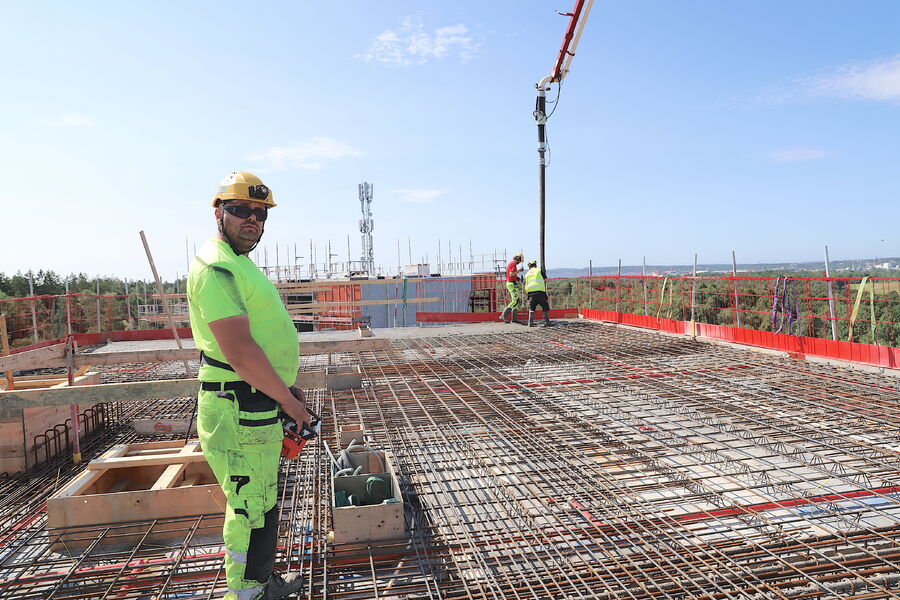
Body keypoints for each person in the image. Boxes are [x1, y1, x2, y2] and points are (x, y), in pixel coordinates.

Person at [187, 171, 310, 600]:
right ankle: (245, 594)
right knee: (249, 507)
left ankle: (259, 583)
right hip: (238, 404)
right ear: (218, 212)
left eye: (260, 213)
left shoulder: (238, 262)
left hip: (254, 400)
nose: (252, 220)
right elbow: (239, 350)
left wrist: (283, 389)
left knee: (262, 500)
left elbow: (258, 339)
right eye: (241, 210)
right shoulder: (216, 267)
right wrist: (287, 400)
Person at [524, 260, 553, 327]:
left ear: (529, 266)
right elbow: (546, 280)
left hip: (530, 294)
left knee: (532, 308)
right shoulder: (539, 270)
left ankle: (530, 323)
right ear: (535, 265)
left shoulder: (527, 274)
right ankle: (547, 322)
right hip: (540, 293)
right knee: (545, 307)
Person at [500, 253, 524, 323]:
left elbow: (512, 275)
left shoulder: (511, 264)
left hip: (512, 283)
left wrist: (517, 278)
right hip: (511, 284)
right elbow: (511, 273)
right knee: (515, 301)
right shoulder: (513, 264)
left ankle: (514, 319)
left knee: (516, 301)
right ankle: (503, 315)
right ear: (518, 259)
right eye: (520, 261)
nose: (519, 262)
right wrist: (519, 270)